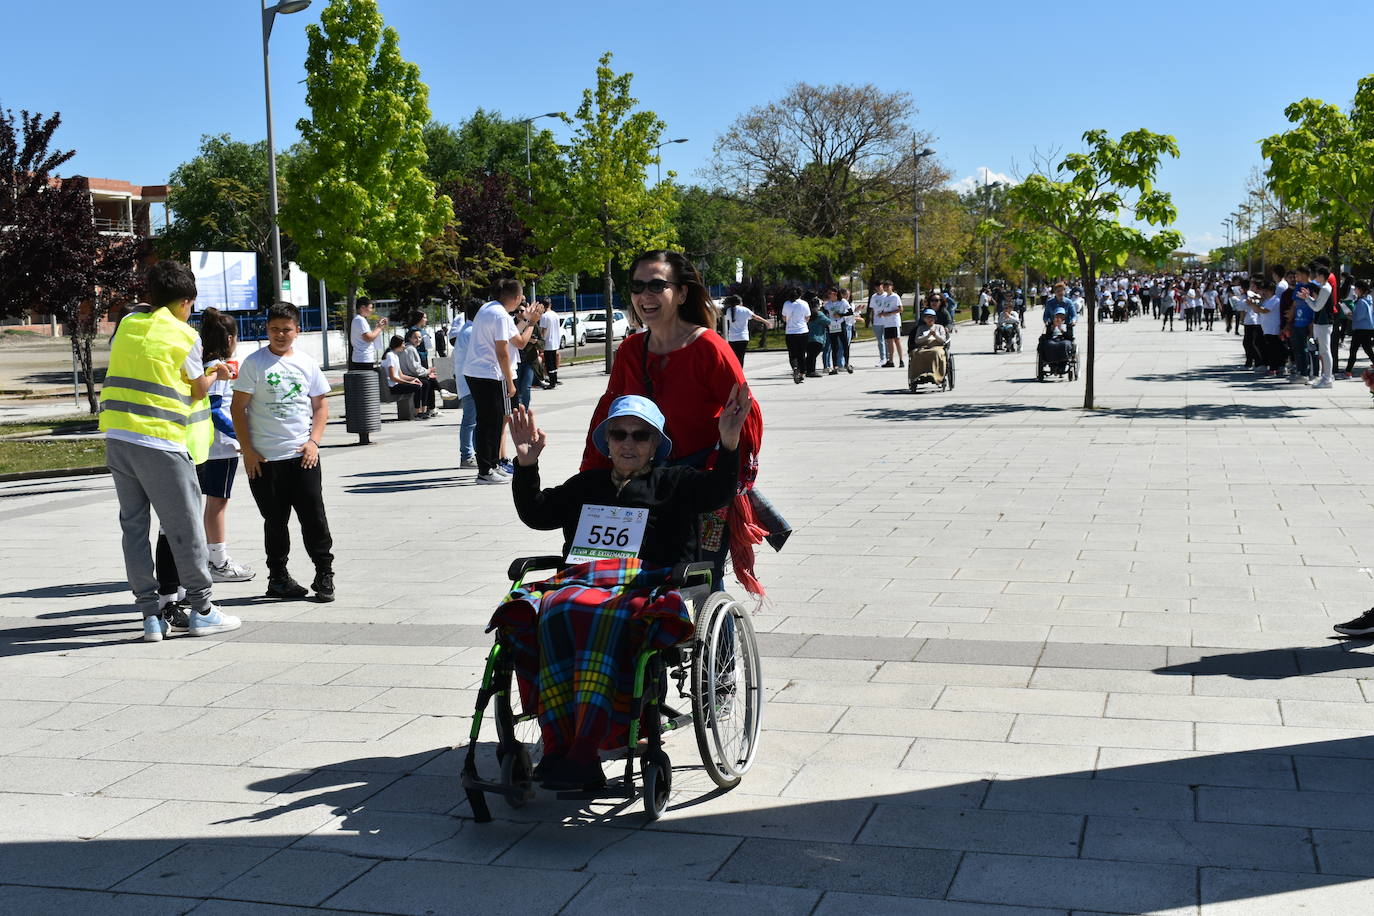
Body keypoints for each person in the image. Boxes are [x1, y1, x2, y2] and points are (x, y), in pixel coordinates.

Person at [501, 388, 750, 788]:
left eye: (640, 435)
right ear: (608, 442)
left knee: (590, 611)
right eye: (620, 435)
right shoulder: (587, 484)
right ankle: (559, 743)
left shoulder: (675, 481)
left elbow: (719, 490)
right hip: (582, 580)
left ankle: (584, 750)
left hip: (644, 584)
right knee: (546, 608)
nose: (629, 443)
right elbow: (537, 513)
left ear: (656, 444)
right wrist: (527, 463)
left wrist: (728, 443)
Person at [579, 249, 767, 596]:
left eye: (656, 286)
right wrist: (592, 476)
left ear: (681, 293)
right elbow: (607, 415)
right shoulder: (631, 351)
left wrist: (727, 477)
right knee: (635, 573)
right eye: (637, 287)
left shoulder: (709, 347)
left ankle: (717, 641)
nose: (644, 296)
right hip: (644, 481)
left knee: (702, 578)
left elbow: (746, 416)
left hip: (699, 480)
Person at [100, 260, 239, 641]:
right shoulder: (184, 336)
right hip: (161, 442)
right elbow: (198, 388)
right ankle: (203, 609)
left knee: (134, 528)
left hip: (118, 439)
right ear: (185, 303)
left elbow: (142, 312)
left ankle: (150, 616)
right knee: (185, 528)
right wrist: (216, 371)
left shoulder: (129, 324)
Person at [231, 302, 335, 602]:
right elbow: (238, 408)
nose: (280, 334)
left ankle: (324, 574)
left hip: (303, 457)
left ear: (297, 331)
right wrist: (248, 450)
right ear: (266, 330)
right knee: (275, 522)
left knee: (314, 518)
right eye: (274, 329)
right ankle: (278, 577)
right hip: (264, 461)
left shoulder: (307, 363)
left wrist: (313, 442)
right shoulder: (254, 363)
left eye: (286, 329)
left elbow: (321, 405)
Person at [464, 279, 539, 484]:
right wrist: (510, 382)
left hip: (480, 372)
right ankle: (485, 470)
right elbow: (503, 352)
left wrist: (529, 321)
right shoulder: (499, 315)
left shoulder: (489, 309)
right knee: (490, 422)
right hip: (488, 374)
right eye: (521, 298)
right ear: (515, 298)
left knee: (494, 421)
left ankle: (493, 464)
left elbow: (519, 341)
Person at [450, 299, 481, 468]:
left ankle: (473, 453)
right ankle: (466, 455)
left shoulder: (468, 330)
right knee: (470, 420)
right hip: (470, 383)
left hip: (469, 381)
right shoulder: (470, 332)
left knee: (473, 420)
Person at [380, 334, 431, 419]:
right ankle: (417, 412)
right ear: (398, 344)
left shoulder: (395, 355)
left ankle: (423, 410)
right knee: (418, 387)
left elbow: (401, 375)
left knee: (425, 383)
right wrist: (410, 382)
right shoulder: (390, 356)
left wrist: (415, 379)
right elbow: (393, 377)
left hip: (397, 383)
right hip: (393, 386)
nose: (404, 346)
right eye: (403, 344)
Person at [400, 328, 442, 417]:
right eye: (415, 337)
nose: (418, 339)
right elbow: (414, 368)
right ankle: (440, 392)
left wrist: (427, 372)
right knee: (427, 382)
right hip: (409, 376)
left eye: (420, 337)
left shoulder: (410, 348)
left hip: (411, 374)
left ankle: (428, 407)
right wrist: (427, 371)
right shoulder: (410, 349)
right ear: (409, 338)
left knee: (429, 380)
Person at [720, 294, 771, 366]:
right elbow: (755, 317)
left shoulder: (729, 310)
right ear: (740, 302)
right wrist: (766, 322)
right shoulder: (745, 310)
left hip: (732, 338)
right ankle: (740, 371)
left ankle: (735, 371)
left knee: (734, 357)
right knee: (741, 357)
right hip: (743, 337)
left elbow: (723, 317)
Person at [907, 309, 950, 384]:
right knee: (916, 353)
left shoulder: (939, 327)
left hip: (937, 346)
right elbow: (917, 340)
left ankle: (936, 376)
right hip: (923, 346)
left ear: (935, 318)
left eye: (932, 317)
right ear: (924, 319)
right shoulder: (921, 328)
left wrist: (935, 335)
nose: (930, 319)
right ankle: (918, 375)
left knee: (935, 353)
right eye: (928, 317)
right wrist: (927, 336)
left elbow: (943, 340)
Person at [1342, 279, 1374, 378]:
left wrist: (1350, 315)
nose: (1354, 290)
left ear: (1360, 289)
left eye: (1355, 288)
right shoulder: (1368, 299)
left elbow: (1358, 317)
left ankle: (1348, 371)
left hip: (1360, 330)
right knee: (1368, 349)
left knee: (1354, 350)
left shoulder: (1360, 302)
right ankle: (1348, 371)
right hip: (1367, 329)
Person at [781, 289, 811, 384]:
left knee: (792, 353)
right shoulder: (804, 303)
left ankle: (795, 367)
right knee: (801, 353)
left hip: (790, 332)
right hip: (802, 331)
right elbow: (807, 317)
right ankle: (802, 373)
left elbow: (784, 317)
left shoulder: (786, 304)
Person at [348, 298, 387, 370]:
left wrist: (378, 327)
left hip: (361, 358)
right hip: (363, 358)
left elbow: (368, 336)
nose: (371, 310)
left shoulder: (358, 319)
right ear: (363, 308)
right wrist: (379, 328)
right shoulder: (360, 320)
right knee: (366, 380)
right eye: (370, 308)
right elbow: (368, 338)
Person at [822, 288, 852, 374]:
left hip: (841, 324)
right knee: (834, 347)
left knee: (845, 344)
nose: (829, 295)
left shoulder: (843, 302)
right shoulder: (828, 304)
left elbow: (850, 312)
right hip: (832, 326)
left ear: (835, 294)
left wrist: (840, 314)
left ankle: (846, 363)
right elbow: (824, 313)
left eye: (830, 294)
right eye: (828, 294)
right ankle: (835, 366)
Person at [875, 280, 905, 368]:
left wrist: (889, 313)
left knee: (897, 340)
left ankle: (901, 360)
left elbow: (900, 309)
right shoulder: (885, 298)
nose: (886, 288)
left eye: (888, 286)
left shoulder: (895, 297)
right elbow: (885, 308)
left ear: (892, 287)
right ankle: (890, 360)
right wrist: (882, 313)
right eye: (885, 287)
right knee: (889, 342)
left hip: (894, 322)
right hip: (887, 323)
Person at [538, 297, 562, 387]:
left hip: (548, 342)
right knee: (554, 362)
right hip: (555, 341)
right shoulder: (556, 315)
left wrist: (541, 341)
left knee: (549, 363)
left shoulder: (544, 316)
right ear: (550, 305)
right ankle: (554, 379)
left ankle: (552, 382)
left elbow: (543, 330)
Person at [805, 298, 828, 378]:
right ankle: (811, 371)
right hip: (817, 338)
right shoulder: (819, 314)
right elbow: (828, 321)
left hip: (807, 337)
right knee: (813, 356)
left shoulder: (807, 313)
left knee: (810, 355)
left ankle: (806, 370)